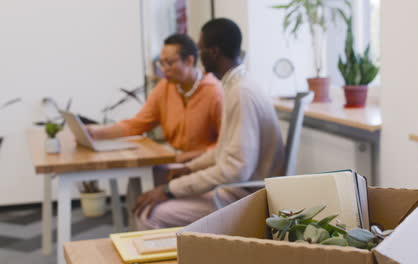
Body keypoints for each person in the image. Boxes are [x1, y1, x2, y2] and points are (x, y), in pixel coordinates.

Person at [133, 18, 285, 229]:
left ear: (213, 52)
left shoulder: (242, 92)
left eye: (200, 49)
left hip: (245, 195)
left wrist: (169, 189)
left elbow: (235, 169)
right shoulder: (238, 85)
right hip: (237, 189)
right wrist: (188, 169)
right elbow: (225, 150)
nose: (198, 56)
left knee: (150, 214)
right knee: (157, 200)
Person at [88, 34, 223, 163]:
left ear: (189, 61)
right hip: (175, 158)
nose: (164, 69)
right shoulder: (165, 87)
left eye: (169, 63)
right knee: (138, 174)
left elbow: (227, 143)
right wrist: (96, 133)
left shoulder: (214, 92)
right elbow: (137, 124)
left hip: (205, 162)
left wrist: (191, 157)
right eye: (161, 63)